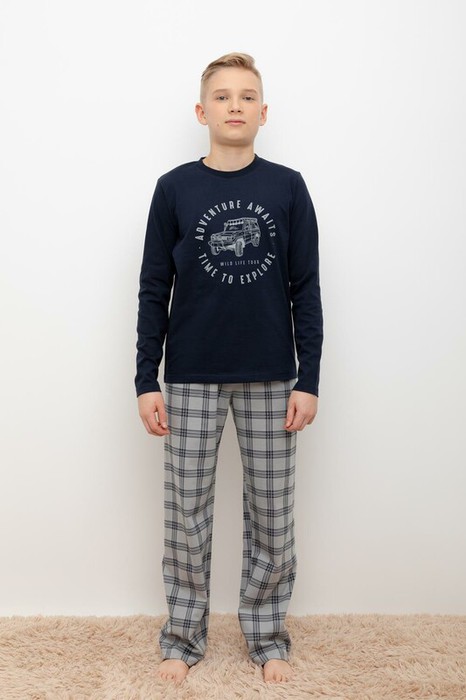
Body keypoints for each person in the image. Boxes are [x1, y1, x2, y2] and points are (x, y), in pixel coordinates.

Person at [135, 52, 324, 685]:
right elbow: (154, 287)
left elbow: (306, 288)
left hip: (272, 375)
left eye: (246, 96)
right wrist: (146, 378)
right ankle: (182, 637)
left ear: (264, 113)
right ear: (202, 111)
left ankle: (267, 637)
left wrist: (308, 378)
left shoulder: (287, 188)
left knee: (272, 512)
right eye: (221, 96)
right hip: (190, 374)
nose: (234, 105)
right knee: (185, 514)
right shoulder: (174, 189)